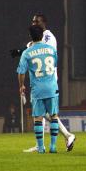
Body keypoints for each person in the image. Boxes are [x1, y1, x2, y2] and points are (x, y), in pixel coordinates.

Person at [10, 14, 75, 152]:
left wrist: (23, 53)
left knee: (40, 115)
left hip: (44, 80)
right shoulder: (41, 40)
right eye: (33, 21)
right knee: (50, 114)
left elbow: (34, 53)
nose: (34, 23)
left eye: (36, 21)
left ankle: (62, 137)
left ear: (44, 22)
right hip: (49, 82)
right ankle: (46, 144)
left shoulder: (48, 37)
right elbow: (51, 56)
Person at [17, 25, 60, 153]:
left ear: (30, 36)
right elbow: (55, 64)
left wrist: (21, 85)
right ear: (42, 35)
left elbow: (21, 72)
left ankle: (41, 147)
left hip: (37, 89)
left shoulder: (27, 52)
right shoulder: (51, 50)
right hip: (52, 87)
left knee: (38, 118)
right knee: (54, 116)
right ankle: (53, 146)